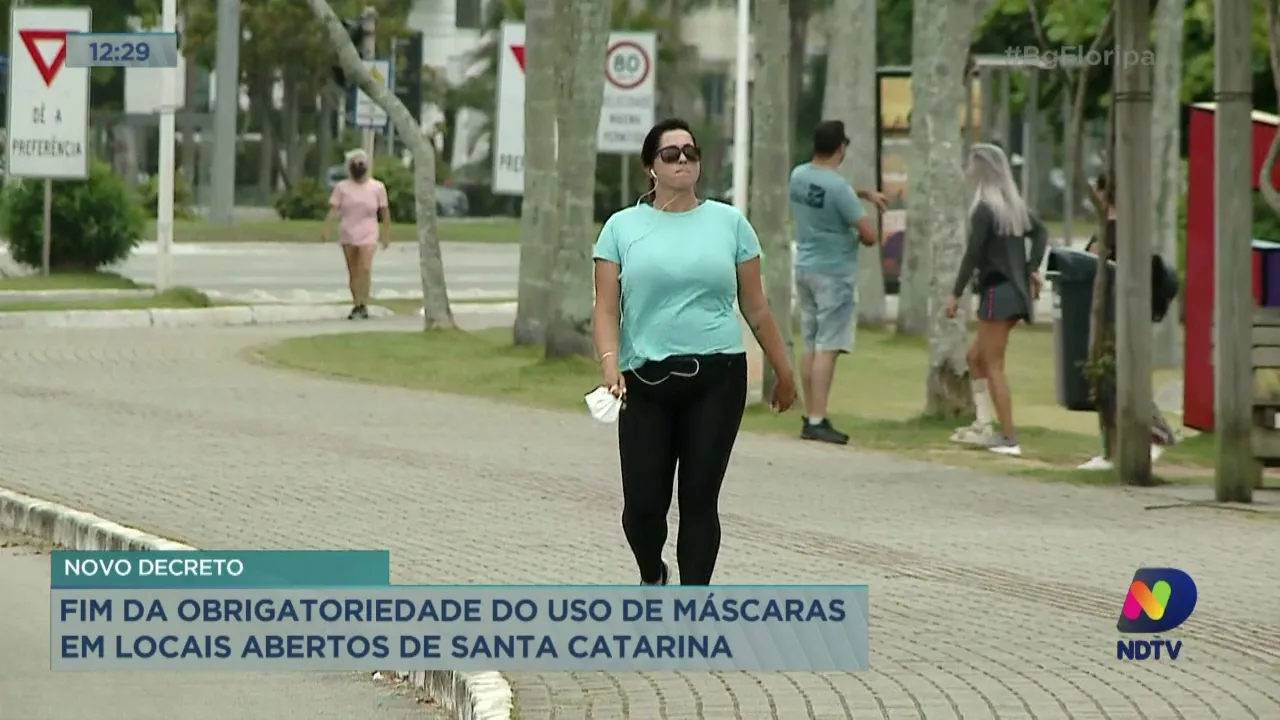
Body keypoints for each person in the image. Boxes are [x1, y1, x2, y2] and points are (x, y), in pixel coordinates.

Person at [591, 117, 797, 586]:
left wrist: (784, 373)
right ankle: (652, 572)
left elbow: (757, 308)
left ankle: (692, 610)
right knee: (642, 507)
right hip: (645, 380)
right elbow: (605, 310)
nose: (683, 160)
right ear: (651, 167)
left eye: (691, 152)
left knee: (699, 498)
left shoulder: (730, 224)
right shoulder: (621, 228)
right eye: (670, 153)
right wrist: (609, 365)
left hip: (718, 376)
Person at [946, 143, 1048, 457]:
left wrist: (955, 293)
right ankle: (983, 424)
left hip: (997, 293)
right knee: (975, 357)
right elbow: (1041, 233)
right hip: (1014, 293)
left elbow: (973, 255)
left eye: (971, 165)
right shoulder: (1011, 206)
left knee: (992, 364)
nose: (967, 170)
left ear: (982, 169)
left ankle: (1008, 436)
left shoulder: (985, 210)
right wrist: (1030, 270)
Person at [788, 120, 885, 444]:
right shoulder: (839, 189)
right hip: (833, 273)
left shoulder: (799, 175)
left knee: (811, 343)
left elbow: (822, 194)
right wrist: (869, 215)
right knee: (828, 347)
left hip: (804, 267)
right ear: (841, 148)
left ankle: (809, 413)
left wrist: (860, 194)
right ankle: (818, 419)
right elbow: (869, 236)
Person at [1077, 174, 1180, 470]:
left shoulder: (1113, 230)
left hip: (1116, 314)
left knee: (1118, 376)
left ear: (1103, 194)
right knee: (1114, 376)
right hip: (1120, 312)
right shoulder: (1127, 228)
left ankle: (1155, 434)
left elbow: (1096, 262)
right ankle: (1122, 442)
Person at [321, 149, 390, 319]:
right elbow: (334, 209)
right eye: (355, 164)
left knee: (365, 267)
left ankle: (363, 304)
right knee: (353, 270)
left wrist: (386, 234)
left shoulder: (377, 187)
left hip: (369, 231)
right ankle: (356, 303)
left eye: (362, 163)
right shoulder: (342, 188)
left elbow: (384, 212)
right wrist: (326, 229)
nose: (359, 166)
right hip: (348, 232)